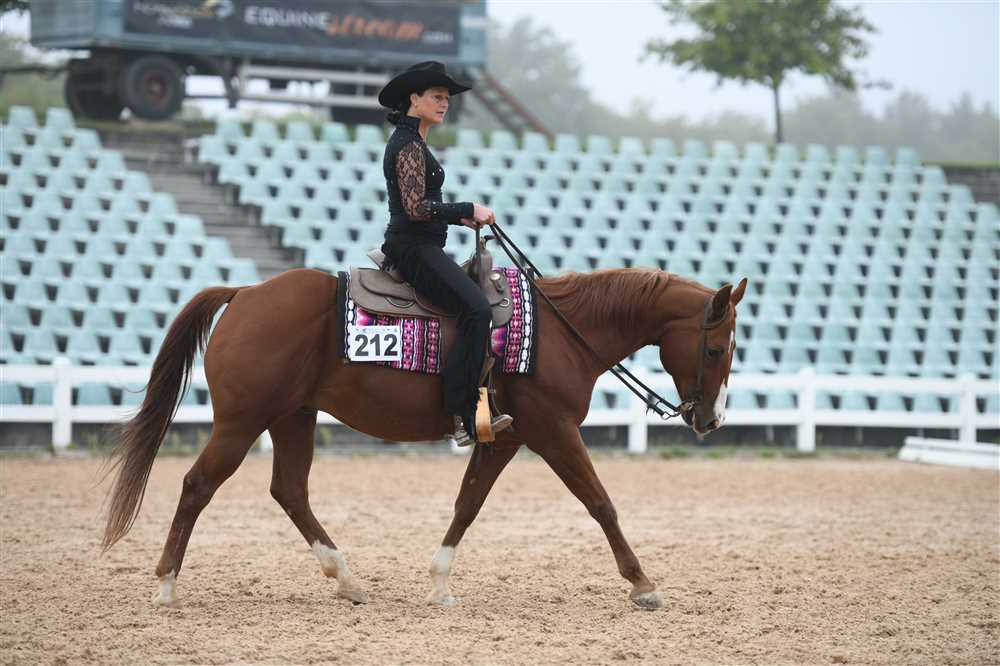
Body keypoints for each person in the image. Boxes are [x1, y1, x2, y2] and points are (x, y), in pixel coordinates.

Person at [376, 61, 513, 445]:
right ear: (414, 98)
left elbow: (422, 207)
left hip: (421, 244)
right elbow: (416, 209)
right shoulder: (407, 145)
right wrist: (467, 208)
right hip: (412, 247)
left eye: (447, 98)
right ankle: (463, 413)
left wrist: (459, 218)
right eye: (437, 96)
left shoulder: (414, 142)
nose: (444, 103)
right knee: (477, 309)